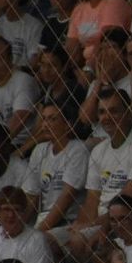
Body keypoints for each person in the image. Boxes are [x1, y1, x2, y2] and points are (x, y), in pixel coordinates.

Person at [69, 88, 132, 256]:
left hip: (122, 221)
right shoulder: (98, 151)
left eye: (113, 111)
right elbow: (92, 198)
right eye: (102, 112)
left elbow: (129, 198)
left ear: (128, 112)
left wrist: (94, 229)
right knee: (49, 240)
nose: (106, 118)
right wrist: (83, 226)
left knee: (78, 242)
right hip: (98, 222)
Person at [23, 100, 90, 242]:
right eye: (44, 119)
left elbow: (66, 197)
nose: (46, 125)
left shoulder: (78, 150)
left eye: (52, 119)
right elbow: (31, 195)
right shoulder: (39, 150)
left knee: (39, 241)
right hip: (42, 219)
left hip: (68, 222)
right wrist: (20, 228)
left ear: (68, 124)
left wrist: (38, 232)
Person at [66, 0, 132, 68]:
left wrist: (88, 70)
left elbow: (106, 42)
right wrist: (79, 72)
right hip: (86, 68)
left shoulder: (115, 2)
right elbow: (72, 49)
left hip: (110, 66)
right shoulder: (79, 9)